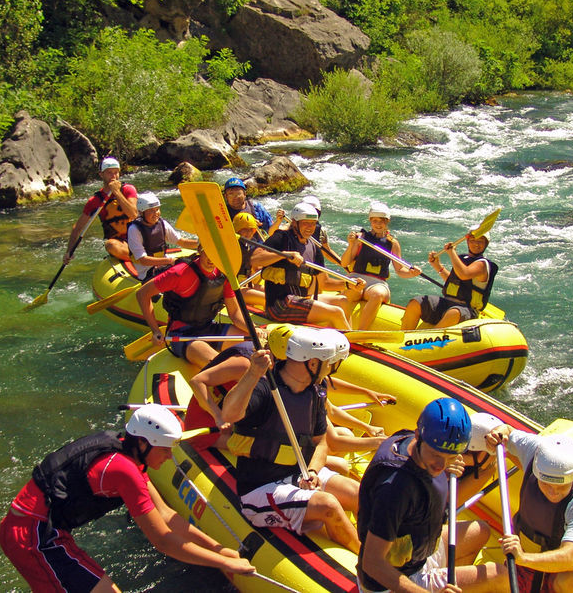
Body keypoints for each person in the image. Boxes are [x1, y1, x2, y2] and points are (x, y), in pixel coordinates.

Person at [0, 404, 255, 591]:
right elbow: (163, 542)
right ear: (143, 444)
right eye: (165, 450)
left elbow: (166, 516)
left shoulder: (127, 455)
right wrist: (223, 563)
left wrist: (219, 549)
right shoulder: (123, 470)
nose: (169, 457)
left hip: (44, 531)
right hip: (33, 538)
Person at [221, 325, 362, 552]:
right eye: (328, 364)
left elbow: (321, 442)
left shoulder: (316, 390)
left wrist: (314, 471)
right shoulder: (265, 388)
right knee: (329, 505)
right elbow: (229, 414)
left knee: (358, 493)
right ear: (312, 363)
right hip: (259, 487)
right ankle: (370, 569)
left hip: (300, 473)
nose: (330, 370)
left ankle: (373, 549)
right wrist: (252, 373)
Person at [357, 397, 504, 593]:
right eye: (436, 455)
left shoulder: (418, 444)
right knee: (500, 576)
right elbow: (372, 564)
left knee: (481, 531)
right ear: (418, 436)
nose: (441, 466)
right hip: (388, 584)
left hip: (418, 557)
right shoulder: (395, 490)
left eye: (450, 457)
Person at [483, 426, 573, 593]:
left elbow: (570, 558)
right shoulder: (534, 450)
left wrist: (523, 558)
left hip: (570, 566)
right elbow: (506, 431)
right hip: (528, 557)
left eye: (561, 486)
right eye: (546, 484)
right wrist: (498, 434)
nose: (553, 492)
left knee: (570, 584)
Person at [250, 202, 364, 330]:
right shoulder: (281, 238)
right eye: (305, 223)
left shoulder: (314, 248)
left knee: (342, 301)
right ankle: (352, 344)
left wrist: (349, 284)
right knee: (336, 312)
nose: (310, 227)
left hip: (301, 299)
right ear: (295, 223)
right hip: (279, 305)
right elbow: (255, 259)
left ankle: (342, 336)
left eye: (313, 223)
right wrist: (283, 255)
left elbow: (325, 283)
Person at [135, 244, 247, 372]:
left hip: (208, 327)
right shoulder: (179, 272)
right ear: (200, 250)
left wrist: (253, 330)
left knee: (257, 344)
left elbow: (235, 313)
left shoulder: (224, 273)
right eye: (208, 253)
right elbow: (142, 294)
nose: (211, 259)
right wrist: (155, 330)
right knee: (222, 366)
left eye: (216, 255)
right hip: (182, 333)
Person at [341, 201, 422, 330]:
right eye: (375, 221)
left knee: (377, 294)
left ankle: (361, 333)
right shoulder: (360, 238)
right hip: (357, 278)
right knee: (352, 293)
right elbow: (344, 263)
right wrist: (351, 244)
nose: (378, 224)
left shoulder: (393, 243)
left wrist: (412, 273)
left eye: (382, 221)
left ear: (387, 221)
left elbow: (400, 270)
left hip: (377, 283)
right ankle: (343, 328)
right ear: (370, 221)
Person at [401, 230, 497, 331]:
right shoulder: (462, 259)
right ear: (468, 242)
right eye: (473, 240)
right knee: (415, 302)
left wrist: (452, 252)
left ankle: (425, 340)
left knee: (453, 313)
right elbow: (453, 281)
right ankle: (402, 337)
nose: (476, 244)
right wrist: (437, 266)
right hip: (447, 303)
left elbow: (464, 274)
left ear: (486, 244)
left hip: (467, 309)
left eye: (480, 241)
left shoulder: (483, 264)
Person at [64, 157, 138, 263]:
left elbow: (133, 214)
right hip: (120, 243)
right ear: (101, 174)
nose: (113, 176)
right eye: (109, 173)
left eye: (116, 172)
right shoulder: (95, 201)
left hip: (138, 237)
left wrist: (116, 192)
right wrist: (69, 251)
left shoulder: (128, 190)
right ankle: (139, 260)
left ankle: (144, 257)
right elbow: (77, 228)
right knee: (110, 245)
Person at [127, 191, 198, 281]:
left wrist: (201, 243)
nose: (156, 213)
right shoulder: (134, 230)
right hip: (147, 272)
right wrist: (170, 261)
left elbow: (182, 242)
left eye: (157, 209)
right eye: (151, 211)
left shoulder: (162, 223)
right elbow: (143, 260)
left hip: (164, 264)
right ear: (141, 213)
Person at [233, 211, 265, 308]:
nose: (249, 233)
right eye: (245, 230)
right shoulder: (232, 245)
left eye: (251, 229)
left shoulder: (252, 243)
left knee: (274, 294)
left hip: (248, 281)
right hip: (236, 287)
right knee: (266, 298)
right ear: (237, 231)